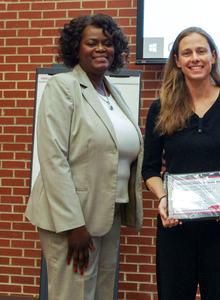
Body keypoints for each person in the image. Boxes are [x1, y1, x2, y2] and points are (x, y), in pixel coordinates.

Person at [25, 14, 143, 300]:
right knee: (74, 294)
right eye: (92, 43)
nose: (101, 48)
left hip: (109, 213)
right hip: (74, 219)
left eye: (108, 43)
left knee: (102, 293)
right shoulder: (62, 87)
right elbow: (53, 159)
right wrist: (73, 225)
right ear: (76, 48)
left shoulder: (111, 92)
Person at [142, 27, 220, 300]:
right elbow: (149, 168)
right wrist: (164, 198)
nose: (195, 58)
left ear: (214, 57)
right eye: (187, 52)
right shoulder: (161, 108)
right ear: (177, 61)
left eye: (201, 51)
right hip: (175, 227)